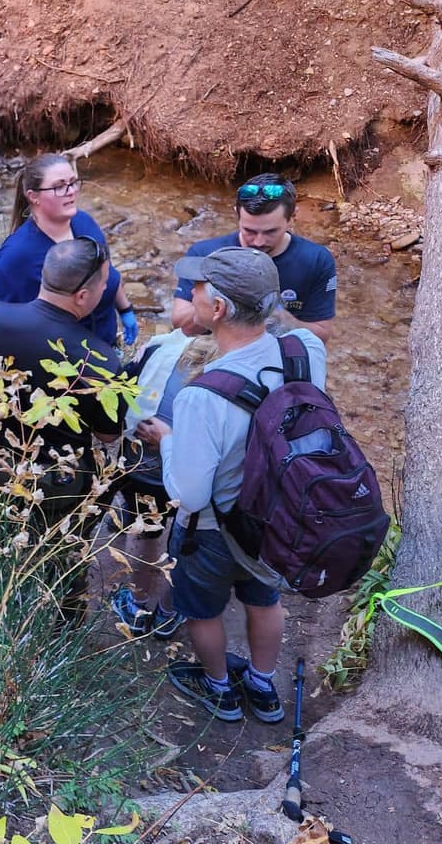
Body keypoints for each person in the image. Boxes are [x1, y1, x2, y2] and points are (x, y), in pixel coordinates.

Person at [136, 247, 327, 724]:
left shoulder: (204, 394)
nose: (191, 295)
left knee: (201, 610)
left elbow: (191, 494)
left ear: (217, 309)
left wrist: (169, 439)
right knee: (265, 599)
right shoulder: (306, 349)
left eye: (197, 289)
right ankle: (263, 687)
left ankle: (219, 688)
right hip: (281, 518)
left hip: (214, 531)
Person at [0, 238, 127, 532]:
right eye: (104, 284)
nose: (106, 289)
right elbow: (108, 436)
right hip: (52, 480)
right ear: (83, 296)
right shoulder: (99, 360)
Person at [105, 332, 218, 640]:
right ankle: (169, 611)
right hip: (198, 476)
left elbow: (116, 395)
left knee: (145, 530)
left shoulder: (160, 348)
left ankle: (138, 607)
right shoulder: (234, 370)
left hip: (145, 469)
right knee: (189, 539)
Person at [0, 153, 137, 349]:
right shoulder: (16, 255)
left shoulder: (85, 222)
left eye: (73, 182)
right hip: (59, 365)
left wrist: (125, 308)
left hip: (106, 350)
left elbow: (108, 273)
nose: (71, 191)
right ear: (33, 196)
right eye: (59, 186)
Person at [171, 173, 337, 343]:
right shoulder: (205, 254)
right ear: (237, 214)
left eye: (271, 232)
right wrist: (222, 302)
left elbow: (321, 334)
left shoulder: (316, 260)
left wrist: (278, 318)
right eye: (249, 230)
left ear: (292, 217)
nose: (259, 241)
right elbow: (181, 325)